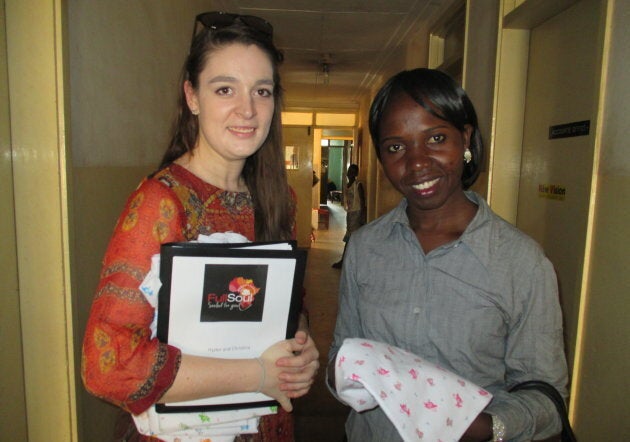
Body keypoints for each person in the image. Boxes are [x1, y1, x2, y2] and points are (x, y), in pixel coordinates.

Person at [82, 12, 319, 441]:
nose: (247, 109)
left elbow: (290, 302)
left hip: (268, 423)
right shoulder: (162, 203)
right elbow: (108, 367)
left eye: (261, 91)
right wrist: (256, 373)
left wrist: (301, 343)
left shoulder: (279, 198)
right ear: (192, 96)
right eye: (224, 89)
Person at [327, 68, 568, 441]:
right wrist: (338, 374)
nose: (417, 162)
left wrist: (487, 427)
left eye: (436, 138)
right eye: (396, 147)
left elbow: (547, 399)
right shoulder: (365, 247)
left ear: (466, 138)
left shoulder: (521, 261)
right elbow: (342, 353)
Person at [331, 164, 366, 268]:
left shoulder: (358, 185)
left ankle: (344, 261)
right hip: (351, 213)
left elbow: (362, 201)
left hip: (357, 213)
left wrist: (362, 216)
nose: (349, 172)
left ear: (356, 173)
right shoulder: (348, 184)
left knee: (351, 238)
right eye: (349, 170)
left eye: (352, 171)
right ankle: (350, 261)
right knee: (352, 237)